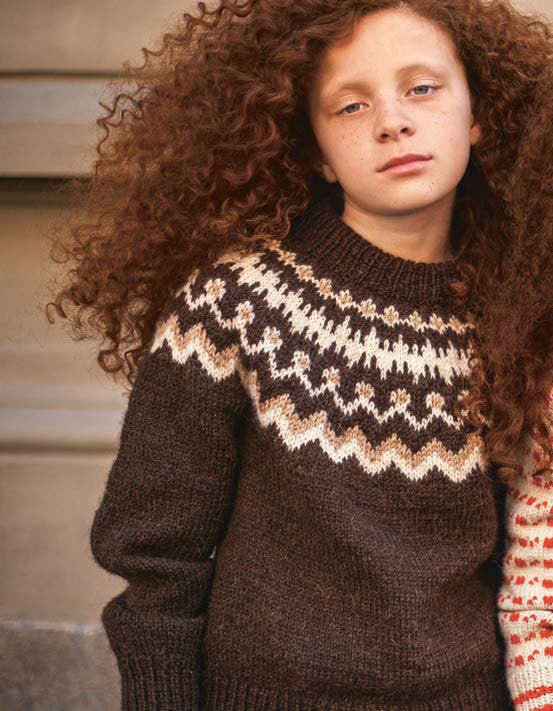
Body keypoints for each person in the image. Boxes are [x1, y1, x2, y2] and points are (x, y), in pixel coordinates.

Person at [45, 0, 553, 709]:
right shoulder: (234, 304)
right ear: (315, 150)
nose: (392, 121)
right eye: (350, 105)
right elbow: (157, 555)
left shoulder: (516, 321)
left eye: (422, 87)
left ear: (478, 113)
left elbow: (526, 563)